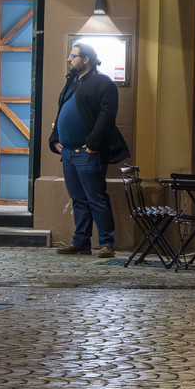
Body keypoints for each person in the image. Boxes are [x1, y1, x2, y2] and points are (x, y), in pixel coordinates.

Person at [47, 41, 130, 257]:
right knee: (78, 199)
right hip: (68, 153)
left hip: (87, 152)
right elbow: (61, 112)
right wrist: (54, 139)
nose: (69, 59)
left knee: (96, 198)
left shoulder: (103, 83)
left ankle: (106, 244)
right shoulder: (72, 82)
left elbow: (106, 116)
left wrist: (92, 144)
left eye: (73, 56)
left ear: (86, 60)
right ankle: (81, 242)